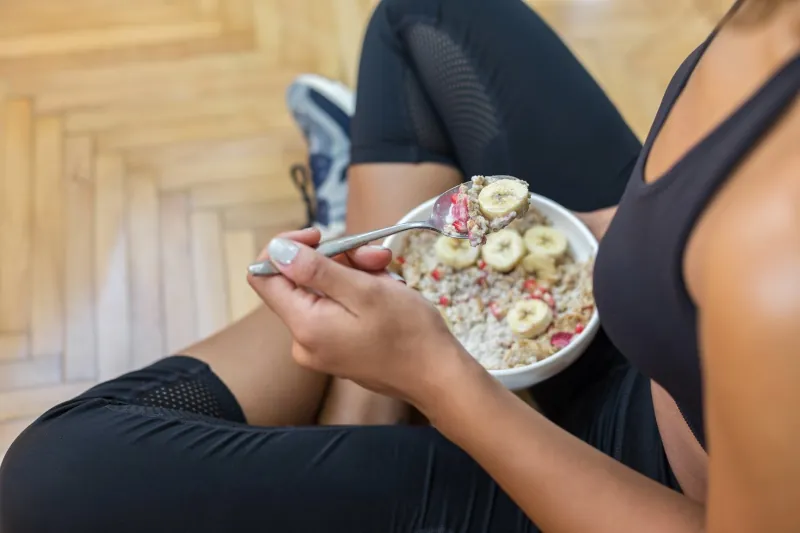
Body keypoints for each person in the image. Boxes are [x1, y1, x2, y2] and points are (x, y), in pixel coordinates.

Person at [1, 0, 798, 531]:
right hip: (648, 328)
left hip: (633, 483)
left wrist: (436, 380)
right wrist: (576, 241)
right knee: (427, 16)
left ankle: (359, 309)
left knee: (51, 480)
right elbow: (694, 210)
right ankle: (361, 328)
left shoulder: (776, 277)